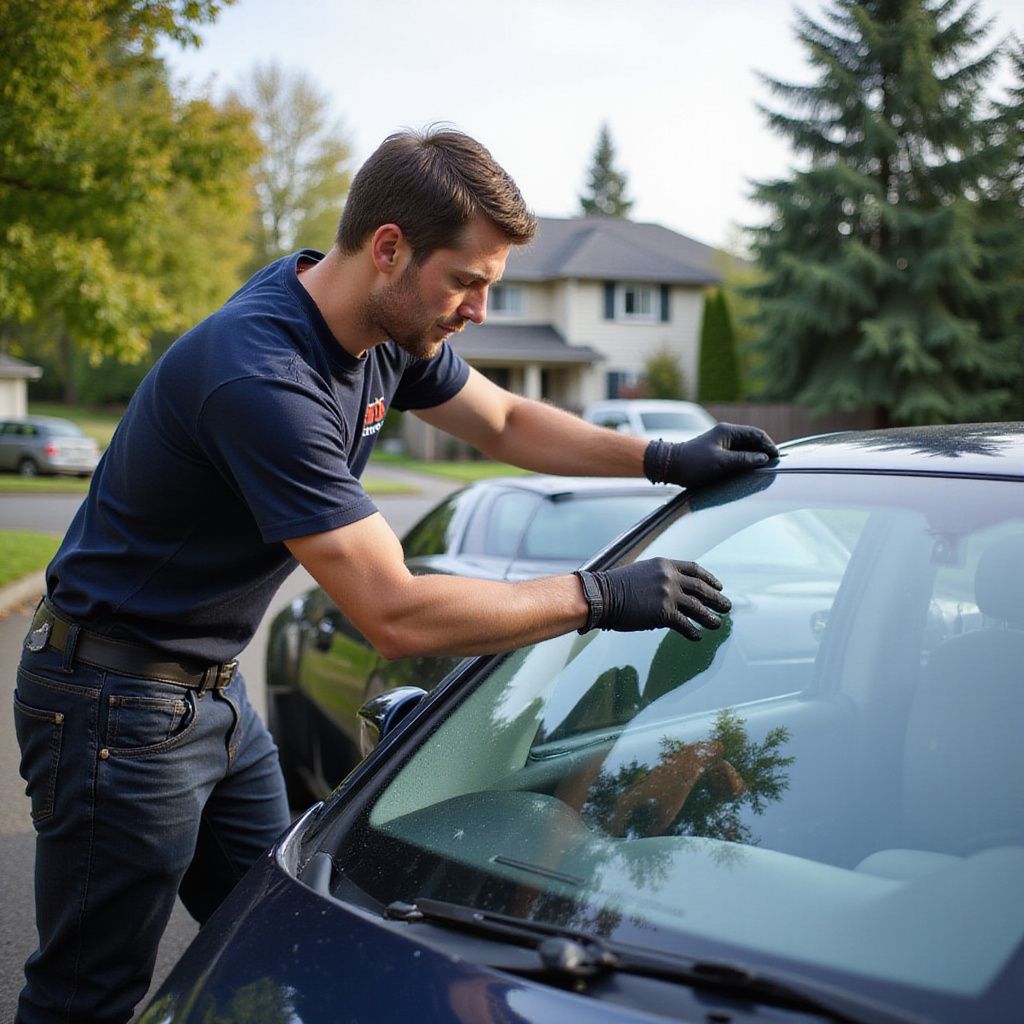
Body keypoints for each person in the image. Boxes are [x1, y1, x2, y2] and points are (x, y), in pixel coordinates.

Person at [12, 126, 777, 1023]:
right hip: (114, 705)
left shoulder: (375, 326)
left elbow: (503, 422)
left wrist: (661, 455)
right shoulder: (262, 375)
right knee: (86, 997)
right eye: (468, 281)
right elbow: (395, 612)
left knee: (294, 936)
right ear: (388, 249)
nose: (479, 310)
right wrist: (600, 596)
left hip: (211, 698)